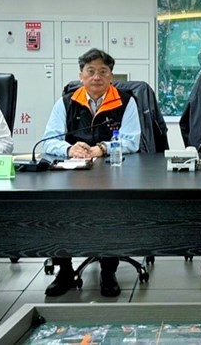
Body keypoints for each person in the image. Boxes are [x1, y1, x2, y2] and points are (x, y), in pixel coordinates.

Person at [41, 48, 141, 297]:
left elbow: (132, 141)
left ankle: (109, 271)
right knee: (57, 212)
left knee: (110, 213)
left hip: (112, 172)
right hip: (72, 173)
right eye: (91, 71)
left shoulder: (126, 101)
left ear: (111, 76)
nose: (97, 77)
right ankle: (65, 271)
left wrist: (102, 148)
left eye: (103, 72)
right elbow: (48, 141)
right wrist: (70, 148)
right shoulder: (66, 102)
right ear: (81, 75)